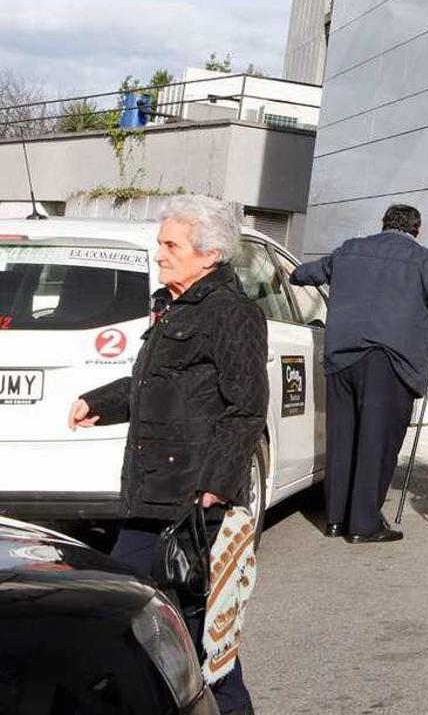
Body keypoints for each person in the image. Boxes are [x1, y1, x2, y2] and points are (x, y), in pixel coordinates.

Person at [69, 194, 267, 715]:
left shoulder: (233, 314)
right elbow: (150, 384)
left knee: (202, 638)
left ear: (209, 254)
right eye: (161, 242)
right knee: (130, 611)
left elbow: (246, 408)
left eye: (170, 244)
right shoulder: (170, 305)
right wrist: (99, 403)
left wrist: (217, 487)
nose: (159, 253)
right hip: (148, 493)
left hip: (193, 504)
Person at [291, 204, 428, 544]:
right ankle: (364, 524)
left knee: (342, 438)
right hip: (391, 361)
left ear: (382, 224)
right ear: (417, 230)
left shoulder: (350, 250)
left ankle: (336, 519)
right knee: (377, 442)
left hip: (342, 356)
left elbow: (304, 274)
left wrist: (287, 273)